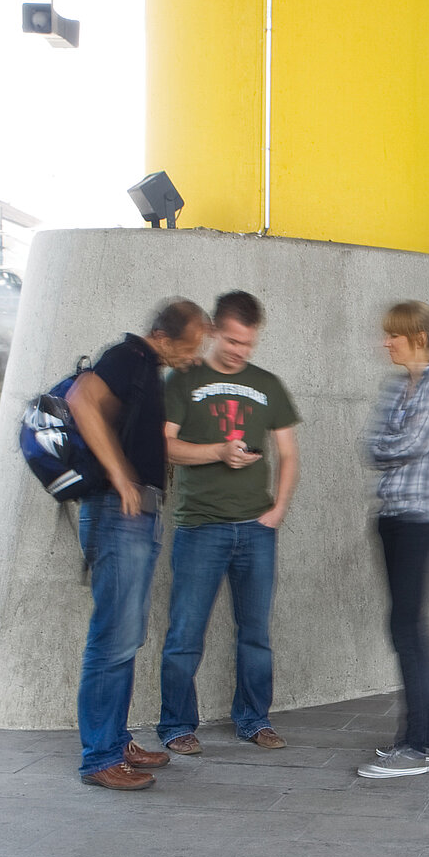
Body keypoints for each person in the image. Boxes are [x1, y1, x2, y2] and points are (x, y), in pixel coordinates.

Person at [68, 298, 209, 791]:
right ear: (164, 337)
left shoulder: (148, 368)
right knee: (112, 639)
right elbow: (81, 400)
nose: (195, 357)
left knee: (125, 638)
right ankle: (100, 758)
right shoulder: (127, 356)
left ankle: (115, 740)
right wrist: (119, 475)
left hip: (136, 517)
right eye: (191, 347)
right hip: (117, 515)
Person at [158, 289, 302, 754]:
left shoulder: (268, 383)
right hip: (200, 526)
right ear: (215, 331)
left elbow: (288, 453)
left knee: (256, 633)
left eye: (249, 344)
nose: (241, 351)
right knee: (185, 633)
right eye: (234, 341)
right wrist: (218, 452)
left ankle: (254, 719)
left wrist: (278, 510)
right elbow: (164, 445)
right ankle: (176, 725)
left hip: (256, 528)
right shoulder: (183, 378)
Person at [358, 300, 429, 780]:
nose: (386, 343)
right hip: (393, 515)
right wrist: (391, 447)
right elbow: (371, 446)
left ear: (419, 338)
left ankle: (421, 745)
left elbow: (408, 443)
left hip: (425, 518)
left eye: (394, 335)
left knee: (408, 627)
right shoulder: (396, 385)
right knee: (404, 626)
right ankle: (421, 737)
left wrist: (390, 447)